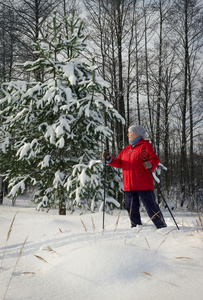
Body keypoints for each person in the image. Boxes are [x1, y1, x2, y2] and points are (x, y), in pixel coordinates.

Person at [102, 125, 167, 229]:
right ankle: (136, 227)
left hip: (143, 183)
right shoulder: (126, 149)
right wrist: (110, 159)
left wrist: (150, 164)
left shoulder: (145, 145)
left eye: (130, 132)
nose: (128, 134)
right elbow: (119, 162)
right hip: (129, 184)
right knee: (131, 208)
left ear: (137, 134)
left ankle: (161, 225)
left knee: (150, 207)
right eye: (128, 132)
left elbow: (154, 159)